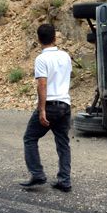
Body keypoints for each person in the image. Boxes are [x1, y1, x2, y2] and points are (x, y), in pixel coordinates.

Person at [20, 24, 73, 192]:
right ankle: (64, 180)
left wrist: (42, 110)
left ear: (38, 40)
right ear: (55, 38)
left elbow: (42, 84)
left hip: (50, 105)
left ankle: (37, 174)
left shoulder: (41, 59)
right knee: (63, 143)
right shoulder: (65, 56)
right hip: (65, 105)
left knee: (30, 138)